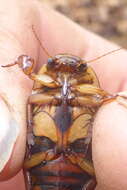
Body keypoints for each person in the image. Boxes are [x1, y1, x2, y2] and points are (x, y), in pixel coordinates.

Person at [0, 0, 127, 189]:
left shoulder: (91, 95)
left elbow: (102, 96)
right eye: (56, 66)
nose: (65, 75)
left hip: (79, 171)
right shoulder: (41, 91)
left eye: (78, 69)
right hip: (41, 169)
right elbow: (31, 89)